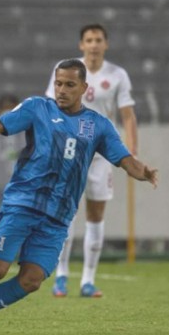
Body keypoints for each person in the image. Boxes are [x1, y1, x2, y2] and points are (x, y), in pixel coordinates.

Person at [0, 59, 158, 335]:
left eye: (70, 84)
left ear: (84, 88)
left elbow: (124, 158)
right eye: (58, 83)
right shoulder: (36, 108)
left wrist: (143, 172)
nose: (62, 89)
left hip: (58, 217)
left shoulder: (98, 126)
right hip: (23, 203)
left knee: (32, 280)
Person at [45, 24, 138, 298]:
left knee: (96, 216)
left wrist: (131, 151)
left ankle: (88, 279)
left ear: (106, 44)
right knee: (65, 213)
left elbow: (128, 115)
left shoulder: (117, 75)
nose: (94, 44)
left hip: (100, 155)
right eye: (89, 39)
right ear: (81, 44)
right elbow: (51, 108)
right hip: (70, 152)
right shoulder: (65, 70)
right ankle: (60, 276)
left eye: (98, 40)